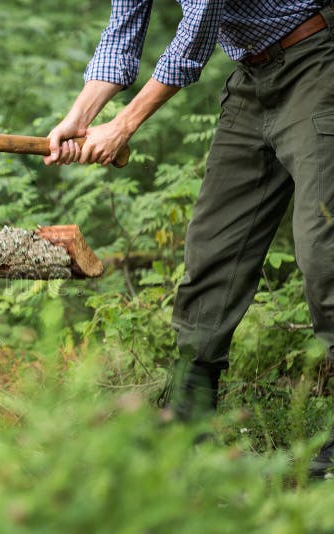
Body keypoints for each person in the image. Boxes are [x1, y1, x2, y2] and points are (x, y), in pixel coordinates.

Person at [44, 1, 334, 477]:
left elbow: (196, 36)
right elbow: (123, 32)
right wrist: (77, 117)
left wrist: (122, 124)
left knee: (324, 253)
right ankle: (185, 429)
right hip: (252, 76)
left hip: (315, 62)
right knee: (212, 249)